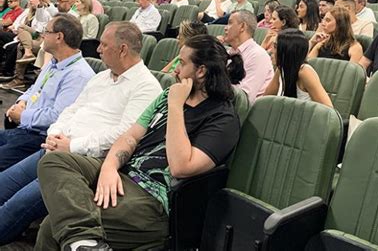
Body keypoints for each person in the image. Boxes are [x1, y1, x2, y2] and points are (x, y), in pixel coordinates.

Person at [35, 34, 245, 251]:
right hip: (124, 173)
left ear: (200, 71)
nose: (175, 69)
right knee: (53, 161)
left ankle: (83, 239)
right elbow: (130, 136)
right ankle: (85, 242)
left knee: (53, 226)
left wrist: (175, 107)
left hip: (153, 201)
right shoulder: (166, 96)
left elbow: (181, 166)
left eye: (181, 63)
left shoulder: (222, 118)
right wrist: (109, 167)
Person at [0, 21, 162, 245]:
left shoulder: (146, 87)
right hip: (55, 148)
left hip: (80, 163)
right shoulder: (101, 77)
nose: (98, 49)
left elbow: (124, 134)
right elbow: (72, 109)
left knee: (13, 208)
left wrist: (71, 146)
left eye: (104, 45)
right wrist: (55, 134)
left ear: (123, 49)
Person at [0, 14, 95, 171]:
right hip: (24, 130)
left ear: (59, 37)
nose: (42, 35)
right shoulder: (54, 63)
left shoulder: (78, 75)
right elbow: (34, 88)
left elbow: (57, 117)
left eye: (46, 31)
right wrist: (21, 102)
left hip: (39, 138)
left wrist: (22, 116)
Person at [264, 28, 333, 106]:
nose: (271, 50)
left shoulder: (305, 72)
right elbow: (266, 99)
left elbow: (328, 109)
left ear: (287, 51)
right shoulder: (281, 69)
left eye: (276, 46)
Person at [224, 10, 274, 104]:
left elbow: (244, 98)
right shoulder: (229, 53)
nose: (225, 28)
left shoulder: (258, 55)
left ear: (242, 27)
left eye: (230, 23)